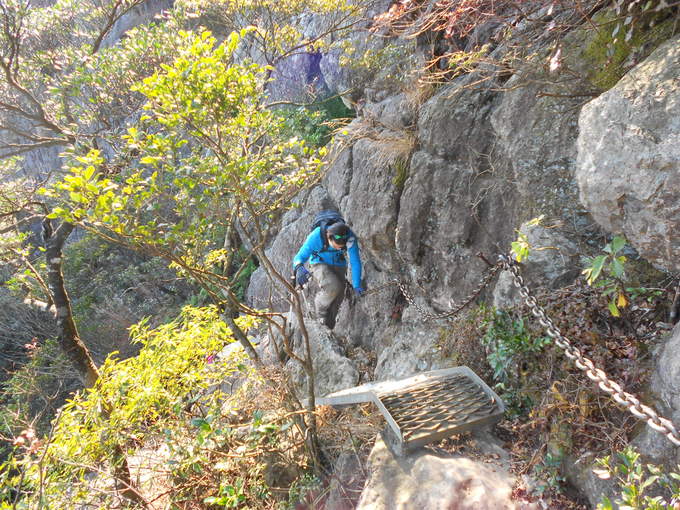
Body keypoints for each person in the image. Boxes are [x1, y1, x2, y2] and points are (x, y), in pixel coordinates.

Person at [293, 220, 363, 329]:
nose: (339, 249)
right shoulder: (316, 236)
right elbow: (299, 257)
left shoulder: (349, 237)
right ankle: (320, 312)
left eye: (341, 248)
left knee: (338, 297)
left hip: (339, 263)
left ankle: (328, 328)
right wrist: (299, 268)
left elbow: (355, 262)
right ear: (328, 237)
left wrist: (357, 285)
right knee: (333, 286)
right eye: (336, 246)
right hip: (319, 262)